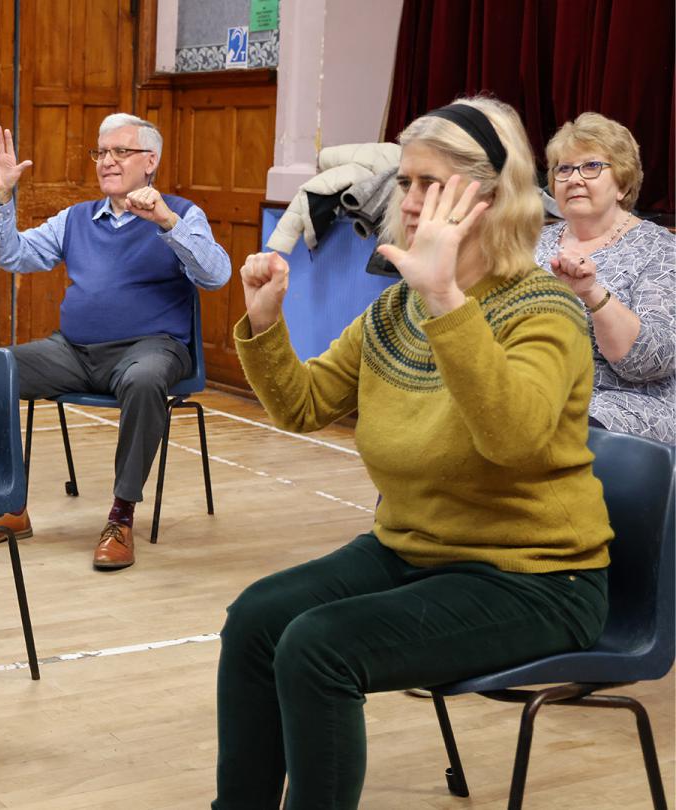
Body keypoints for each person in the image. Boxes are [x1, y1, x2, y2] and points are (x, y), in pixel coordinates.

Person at [213, 97, 611, 809]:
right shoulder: (396, 311)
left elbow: (512, 439)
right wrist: (266, 323)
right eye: (407, 183)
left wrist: (447, 302)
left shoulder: (543, 308)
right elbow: (302, 407)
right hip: (412, 550)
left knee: (318, 647)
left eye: (435, 184)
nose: (414, 201)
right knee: (256, 621)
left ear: (490, 198)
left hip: (536, 578)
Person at [0, 113, 231, 570]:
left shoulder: (182, 214)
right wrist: (2, 196)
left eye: (119, 152)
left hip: (152, 348)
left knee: (146, 381)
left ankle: (121, 517)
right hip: (74, 351)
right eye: (101, 152)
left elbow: (216, 275)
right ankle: (8, 506)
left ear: (150, 161)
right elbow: (12, 255)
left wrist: (166, 222)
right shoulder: (76, 218)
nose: (106, 161)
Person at [535, 112, 674, 444]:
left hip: (621, 403)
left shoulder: (660, 250)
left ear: (623, 185)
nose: (574, 179)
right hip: (529, 387)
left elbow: (650, 361)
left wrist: (592, 294)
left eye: (592, 167)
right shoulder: (531, 242)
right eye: (564, 169)